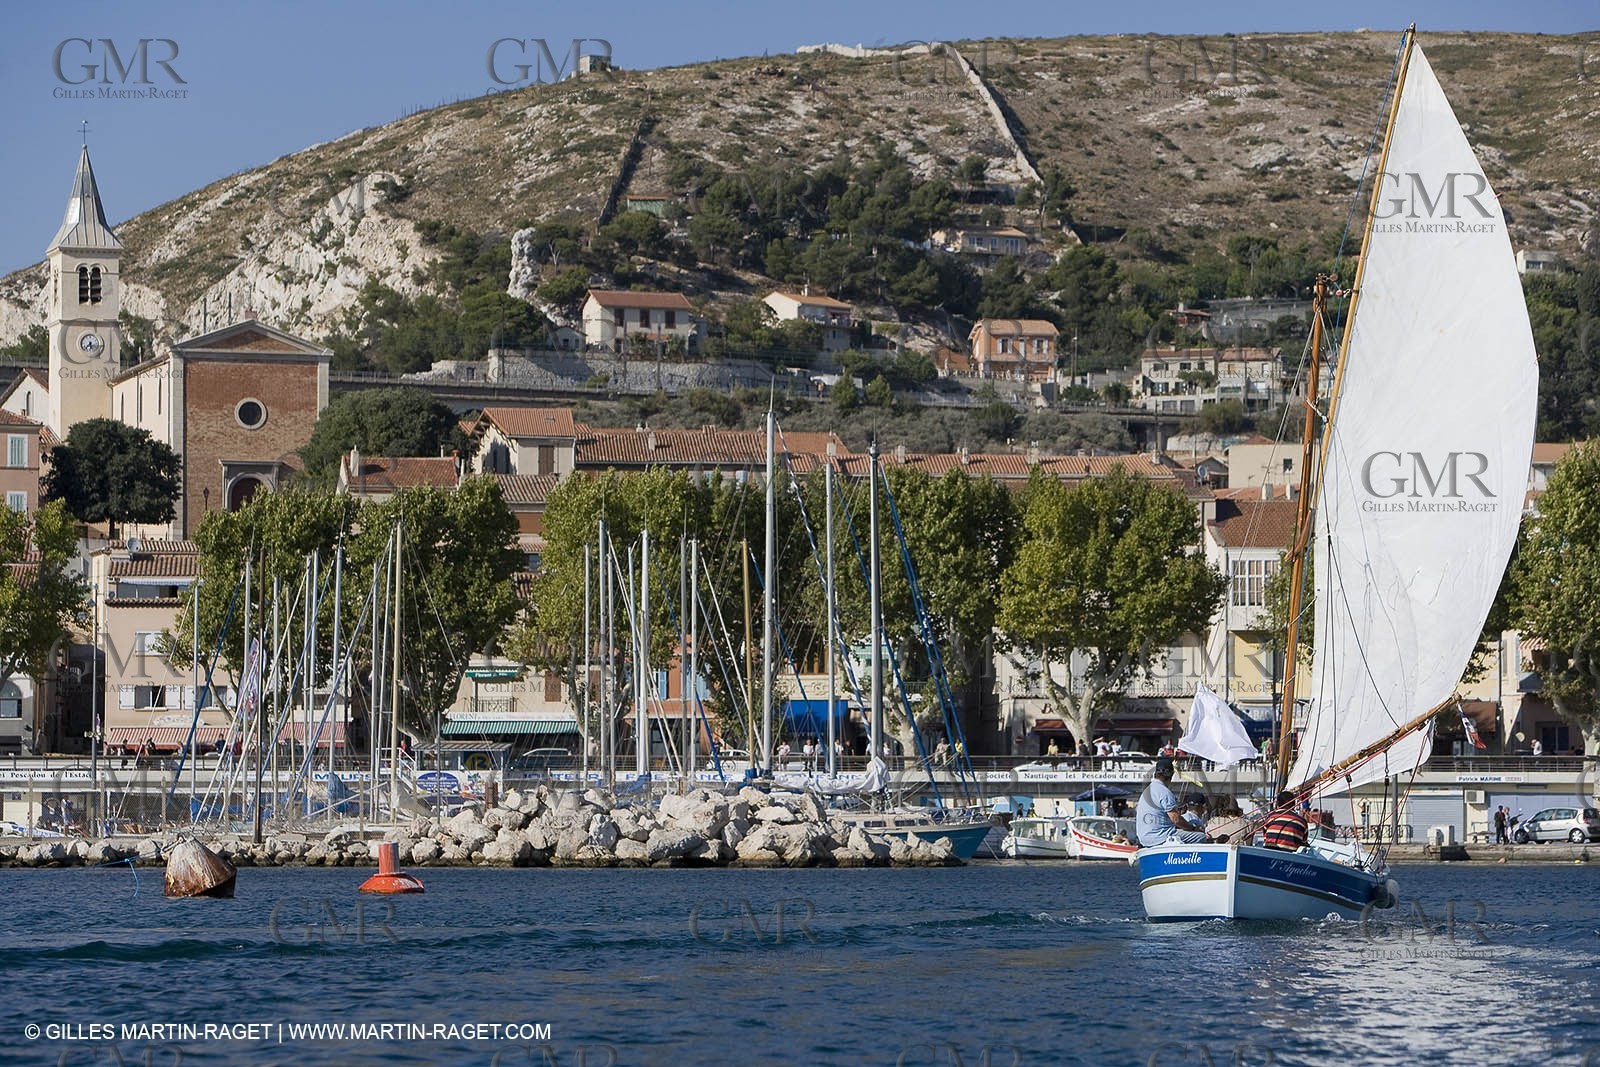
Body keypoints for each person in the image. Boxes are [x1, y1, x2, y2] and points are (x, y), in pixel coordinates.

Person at [1135, 759, 1208, 847]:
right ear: (1171, 775)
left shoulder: (1147, 791)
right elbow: (1176, 819)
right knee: (1201, 837)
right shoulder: (1164, 792)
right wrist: (1193, 828)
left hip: (1144, 839)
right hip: (1160, 837)